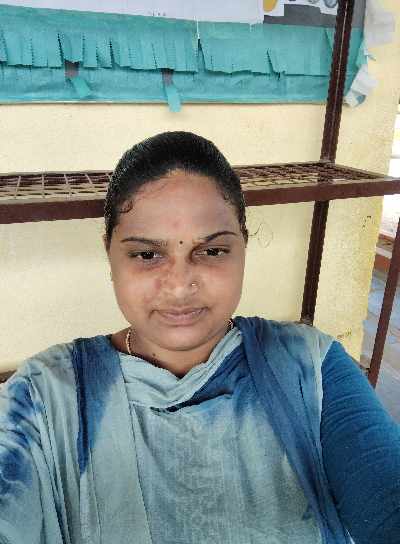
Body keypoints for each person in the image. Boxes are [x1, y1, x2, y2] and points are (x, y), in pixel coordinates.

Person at [0, 131, 399, 544]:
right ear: (110, 254)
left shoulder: (310, 368)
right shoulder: (44, 397)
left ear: (243, 246)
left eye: (211, 251)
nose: (179, 286)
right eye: (146, 254)